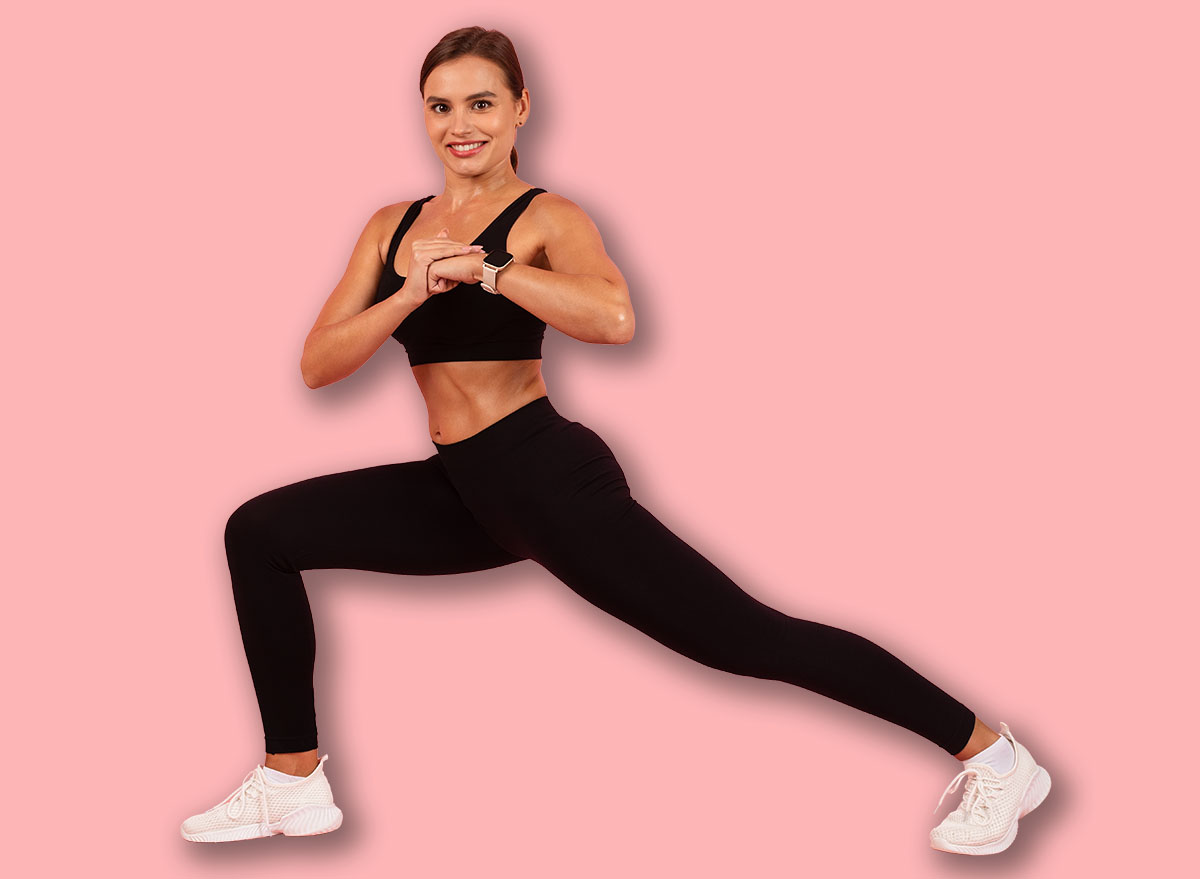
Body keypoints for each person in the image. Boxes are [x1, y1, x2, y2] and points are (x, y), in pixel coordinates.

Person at [180, 25, 1050, 855]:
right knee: (261, 530)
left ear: (522, 107)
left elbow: (615, 317)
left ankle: (995, 756)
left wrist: (486, 270)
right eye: (441, 107)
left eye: (481, 104)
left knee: (750, 640)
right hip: (466, 489)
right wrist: (409, 292)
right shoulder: (391, 228)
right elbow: (318, 364)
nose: (460, 126)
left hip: (547, 478)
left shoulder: (547, 217)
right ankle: (293, 777)